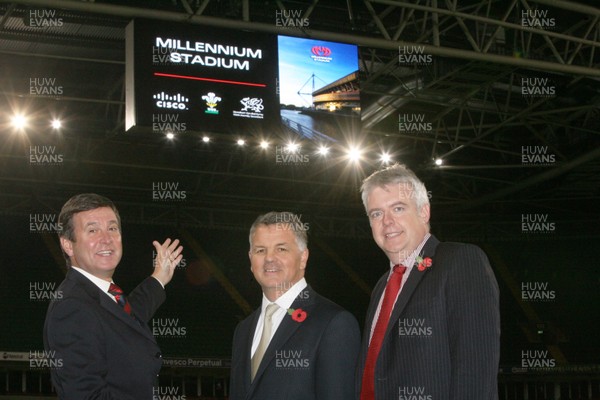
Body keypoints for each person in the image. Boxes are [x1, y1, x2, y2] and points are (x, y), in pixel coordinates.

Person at [356, 164, 500, 400]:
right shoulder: (382, 286)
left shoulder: (460, 261)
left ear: (424, 212)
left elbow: (475, 370)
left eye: (398, 208)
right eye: (376, 213)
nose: (387, 221)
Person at [43, 193, 183, 400]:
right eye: (92, 230)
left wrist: (158, 278)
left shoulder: (100, 295)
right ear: (68, 245)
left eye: (112, 228)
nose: (106, 239)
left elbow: (126, 319)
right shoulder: (71, 307)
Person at [230, 211, 360, 400]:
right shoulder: (243, 330)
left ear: (303, 257)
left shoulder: (334, 323)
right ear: (250, 259)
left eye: (281, 249)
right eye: (260, 250)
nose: (269, 258)